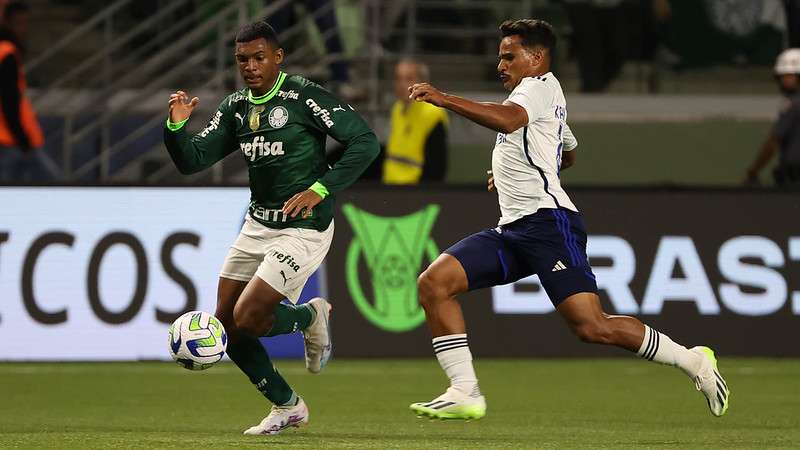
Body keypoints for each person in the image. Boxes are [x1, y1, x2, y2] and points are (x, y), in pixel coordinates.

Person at [406, 19, 729, 420]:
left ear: (537, 57)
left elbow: (508, 121)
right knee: (435, 283)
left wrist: (444, 98)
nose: (500, 65)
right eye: (499, 57)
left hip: (547, 223)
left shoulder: (537, 88)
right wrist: (519, 166)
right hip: (515, 227)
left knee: (592, 326)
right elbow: (569, 151)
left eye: (509, 56)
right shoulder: (547, 96)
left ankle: (694, 361)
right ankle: (464, 391)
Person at [163, 21, 379, 435]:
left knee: (248, 316)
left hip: (305, 227)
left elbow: (365, 142)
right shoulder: (235, 108)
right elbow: (191, 160)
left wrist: (320, 188)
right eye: (242, 59)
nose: (250, 66)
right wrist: (176, 128)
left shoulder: (302, 96)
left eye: (259, 57)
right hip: (258, 225)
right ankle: (288, 405)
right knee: (228, 328)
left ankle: (306, 317)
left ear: (277, 57)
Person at [382, 58, 448, 185]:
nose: (402, 84)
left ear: (422, 82)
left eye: (409, 79)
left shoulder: (433, 114)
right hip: (389, 185)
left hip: (415, 191)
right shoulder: (397, 108)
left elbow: (437, 168)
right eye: (398, 78)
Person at [0, 0, 44, 183]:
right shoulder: (7, 53)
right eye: (20, 23)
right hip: (10, 139)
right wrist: (22, 138)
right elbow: (8, 99)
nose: (24, 29)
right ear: (8, 23)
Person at [744, 48, 800, 187]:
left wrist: (753, 171)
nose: (782, 81)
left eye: (787, 76)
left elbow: (773, 143)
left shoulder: (793, 104)